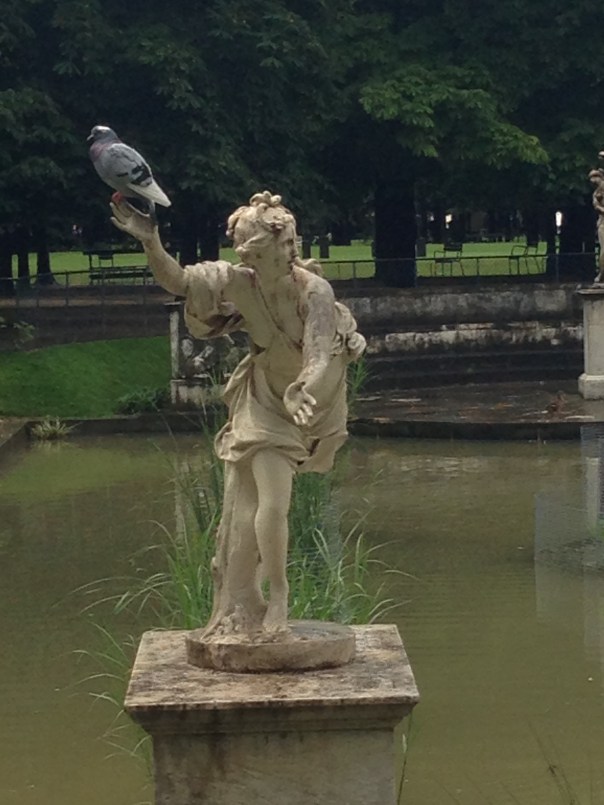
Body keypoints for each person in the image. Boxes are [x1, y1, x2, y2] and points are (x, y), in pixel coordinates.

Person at [111, 191, 366, 637]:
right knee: (251, 506)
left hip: (312, 398)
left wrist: (300, 389)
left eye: (292, 242)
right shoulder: (238, 283)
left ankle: (276, 595)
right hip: (265, 395)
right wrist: (151, 241)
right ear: (253, 255)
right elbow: (179, 281)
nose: (291, 253)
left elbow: (320, 354)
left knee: (267, 500)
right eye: (280, 246)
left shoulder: (314, 290)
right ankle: (251, 597)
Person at [589, 168, 604, 282]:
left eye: (595, 177)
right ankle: (601, 274)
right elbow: (597, 207)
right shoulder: (596, 194)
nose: (593, 180)